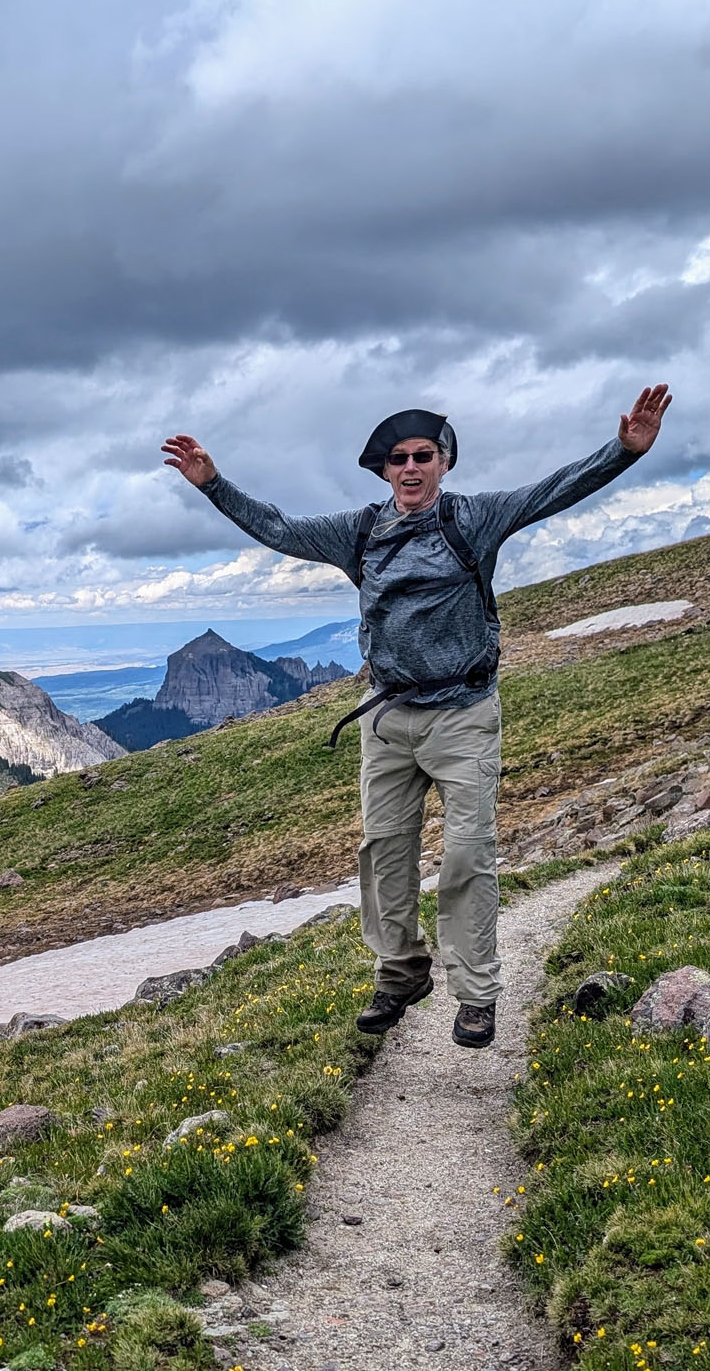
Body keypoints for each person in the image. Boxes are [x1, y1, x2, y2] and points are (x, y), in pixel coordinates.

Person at [161, 386, 670, 1048]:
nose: (410, 467)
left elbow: (555, 489)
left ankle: (477, 993)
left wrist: (624, 451)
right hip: (387, 718)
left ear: (444, 461)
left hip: (463, 715)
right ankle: (400, 973)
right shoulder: (361, 533)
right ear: (383, 469)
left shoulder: (476, 519)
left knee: (467, 855)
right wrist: (213, 485)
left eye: (423, 455)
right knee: (383, 854)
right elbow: (280, 529)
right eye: (397, 458)